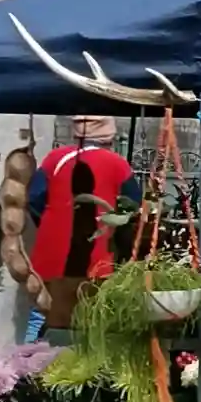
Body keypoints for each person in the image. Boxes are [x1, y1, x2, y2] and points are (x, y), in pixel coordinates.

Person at [27, 114, 140, 285]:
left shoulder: (54, 158)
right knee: (89, 300)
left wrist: (53, 222)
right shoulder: (118, 164)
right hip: (98, 261)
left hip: (50, 256)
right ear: (109, 138)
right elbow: (132, 208)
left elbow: (34, 198)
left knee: (50, 300)